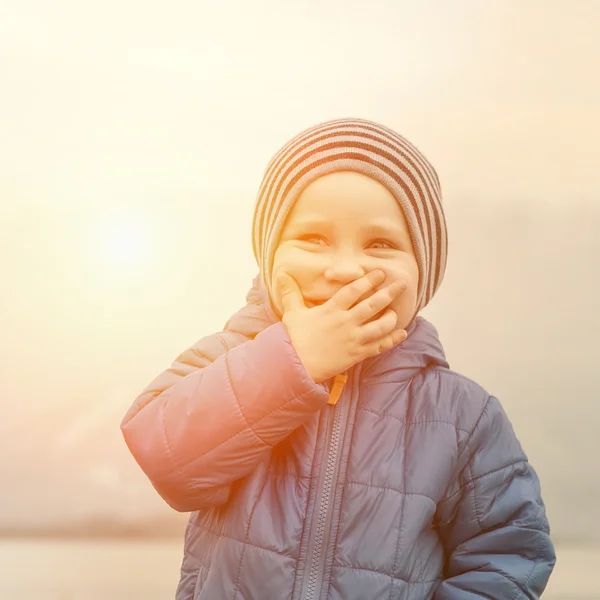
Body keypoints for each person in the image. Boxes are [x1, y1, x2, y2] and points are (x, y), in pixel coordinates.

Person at [121, 118, 556, 599]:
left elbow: (510, 554)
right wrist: (293, 362)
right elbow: (165, 457)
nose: (346, 268)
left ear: (424, 273)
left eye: (381, 244)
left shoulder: (463, 416)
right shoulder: (231, 359)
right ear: (269, 257)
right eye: (314, 238)